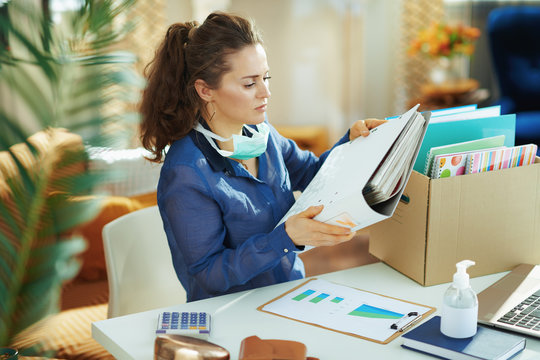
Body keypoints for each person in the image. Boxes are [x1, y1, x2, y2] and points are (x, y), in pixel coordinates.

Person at [140, 12, 386, 302]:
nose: (266, 92)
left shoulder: (261, 133)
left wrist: (353, 144)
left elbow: (313, 175)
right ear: (205, 90)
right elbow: (208, 274)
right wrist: (285, 238)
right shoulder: (186, 173)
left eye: (266, 78)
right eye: (249, 84)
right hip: (231, 313)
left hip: (288, 295)